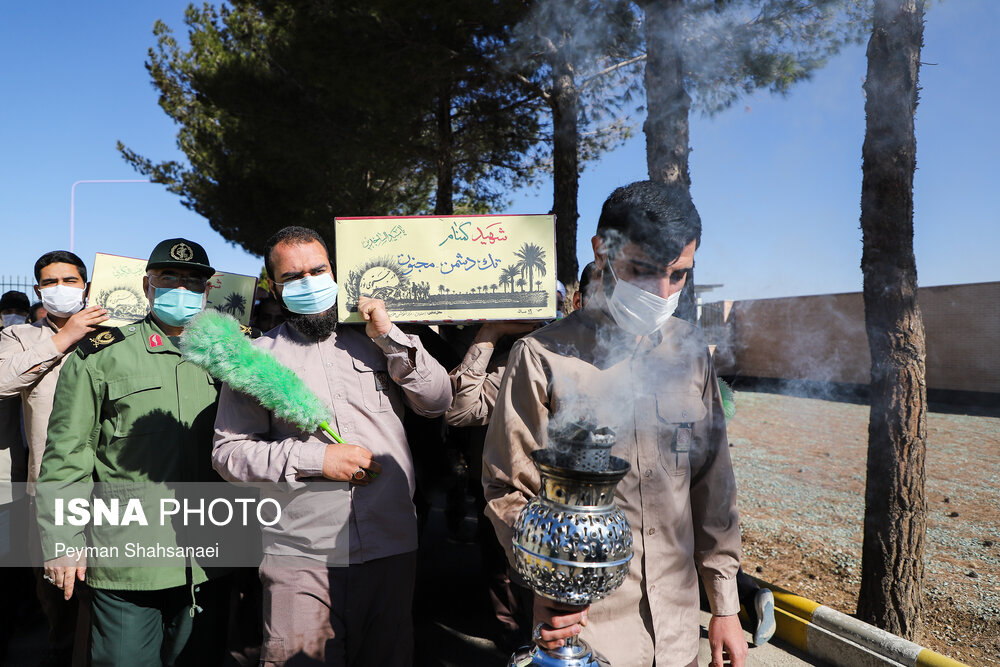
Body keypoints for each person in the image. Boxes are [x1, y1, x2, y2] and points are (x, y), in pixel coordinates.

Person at [482, 181, 748, 667]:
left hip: (678, 638)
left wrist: (725, 607)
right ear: (602, 250)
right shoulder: (542, 358)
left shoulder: (691, 353)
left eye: (679, 276)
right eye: (643, 271)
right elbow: (507, 490)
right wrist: (546, 583)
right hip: (586, 634)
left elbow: (713, 486)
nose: (662, 292)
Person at [212, 225, 452, 666]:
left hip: (392, 545)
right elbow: (228, 454)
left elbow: (437, 401)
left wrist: (390, 336)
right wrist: (315, 458)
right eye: (292, 277)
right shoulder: (254, 360)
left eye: (317, 271)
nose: (308, 283)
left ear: (334, 271)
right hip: (301, 552)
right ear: (273, 286)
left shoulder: (381, 341)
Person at [35, 238, 231, 666]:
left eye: (193, 280)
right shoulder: (101, 354)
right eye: (169, 278)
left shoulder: (233, 357)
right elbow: (68, 455)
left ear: (208, 290)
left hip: (211, 559)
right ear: (147, 285)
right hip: (129, 561)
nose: (182, 288)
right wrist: (63, 540)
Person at [0, 250, 109, 665]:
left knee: (108, 593)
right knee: (55, 593)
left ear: (86, 286)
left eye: (70, 280)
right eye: (50, 282)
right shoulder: (21, 337)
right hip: (48, 490)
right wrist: (63, 338)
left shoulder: (113, 334)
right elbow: (4, 382)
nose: (61, 288)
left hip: (108, 486)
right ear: (38, 291)